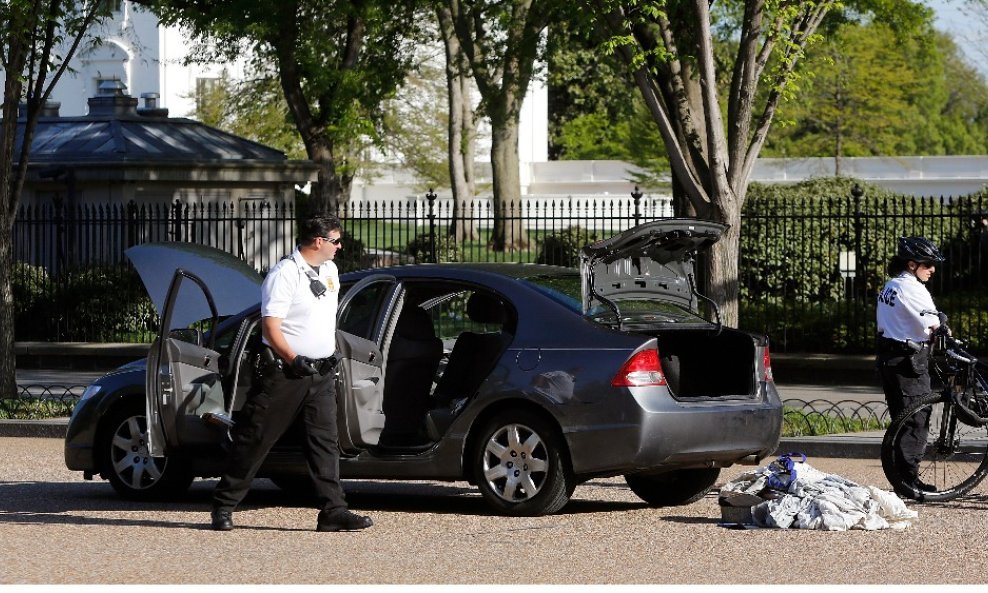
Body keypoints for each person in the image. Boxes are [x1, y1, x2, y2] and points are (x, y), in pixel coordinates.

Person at [210, 214, 373, 532]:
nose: (340, 246)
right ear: (318, 241)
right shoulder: (285, 274)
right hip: (286, 371)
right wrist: (294, 358)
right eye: (336, 241)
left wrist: (327, 352)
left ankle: (333, 511)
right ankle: (224, 505)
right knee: (256, 438)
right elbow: (271, 328)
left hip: (320, 372)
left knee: (324, 442)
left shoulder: (330, 270)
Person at [876, 236, 946, 495]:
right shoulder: (913, 288)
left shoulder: (891, 285)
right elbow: (934, 325)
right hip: (909, 362)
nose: (933, 270)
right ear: (912, 264)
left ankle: (900, 479)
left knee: (901, 420)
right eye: (928, 264)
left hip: (889, 358)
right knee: (916, 420)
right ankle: (908, 481)